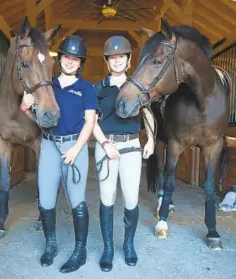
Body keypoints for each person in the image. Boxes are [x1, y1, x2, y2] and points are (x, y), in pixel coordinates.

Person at [20, 35, 98, 274]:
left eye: (75, 59)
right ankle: (51, 244)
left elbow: (90, 121)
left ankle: (80, 251)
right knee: (45, 198)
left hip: (75, 146)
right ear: (60, 58)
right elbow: (38, 117)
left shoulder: (86, 88)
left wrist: (76, 149)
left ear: (80, 62)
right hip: (50, 146)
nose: (70, 62)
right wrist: (25, 107)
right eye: (67, 57)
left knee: (76, 199)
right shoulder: (48, 85)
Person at [92, 36, 155, 272]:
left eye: (121, 57)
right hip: (106, 146)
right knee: (106, 199)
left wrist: (150, 139)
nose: (117, 61)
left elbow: (148, 114)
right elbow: (91, 120)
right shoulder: (98, 89)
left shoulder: (137, 86)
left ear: (128, 60)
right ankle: (108, 248)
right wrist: (105, 143)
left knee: (131, 199)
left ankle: (128, 244)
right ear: (107, 61)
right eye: (113, 57)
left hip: (131, 147)